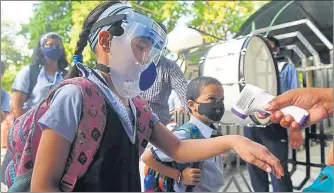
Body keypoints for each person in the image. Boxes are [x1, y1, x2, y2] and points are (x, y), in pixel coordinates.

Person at [13, 2, 283, 192]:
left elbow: (178, 148)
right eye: (140, 46)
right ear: (106, 42)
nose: (145, 59)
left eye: (149, 50)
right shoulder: (75, 96)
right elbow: (43, 186)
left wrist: (234, 141)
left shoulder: (137, 108)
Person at [142, 76, 227, 192]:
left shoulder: (213, 133)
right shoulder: (185, 135)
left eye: (221, 100)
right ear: (192, 105)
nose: (219, 105)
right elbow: (147, 157)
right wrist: (178, 175)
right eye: (211, 99)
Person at [243, 35, 303, 192]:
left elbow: (297, 100)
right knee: (255, 170)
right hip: (251, 126)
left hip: (275, 125)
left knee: (278, 169)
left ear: (276, 50)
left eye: (267, 47)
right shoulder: (249, 70)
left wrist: (296, 130)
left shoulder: (286, 68)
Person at [258, 88, 333, 192]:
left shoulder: (288, 71)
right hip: (259, 125)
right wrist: (327, 102)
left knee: (278, 170)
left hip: (277, 128)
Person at [11, 32, 69, 119]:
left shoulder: (67, 76)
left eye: (57, 45)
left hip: (58, 128)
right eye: (50, 45)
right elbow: (16, 106)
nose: (54, 48)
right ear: (41, 49)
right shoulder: (29, 72)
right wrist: (25, 129)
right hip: (30, 127)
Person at [140, 22, 188, 125]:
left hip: (157, 127)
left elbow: (186, 95)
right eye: (148, 38)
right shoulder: (127, 63)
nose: (150, 44)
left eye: (158, 42)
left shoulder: (169, 67)